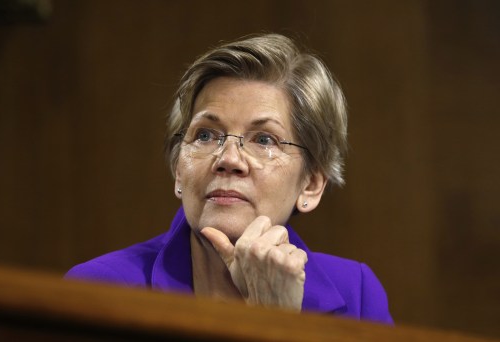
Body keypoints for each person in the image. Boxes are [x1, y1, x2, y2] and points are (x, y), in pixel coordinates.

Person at [65, 33, 393, 324]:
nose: (228, 159)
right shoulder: (97, 289)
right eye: (206, 135)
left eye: (264, 140)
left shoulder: (357, 296)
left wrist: (280, 326)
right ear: (179, 169)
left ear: (311, 184)